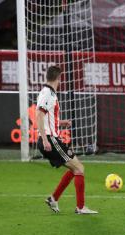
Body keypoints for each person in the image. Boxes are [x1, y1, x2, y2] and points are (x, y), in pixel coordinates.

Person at [36, 65, 97, 214]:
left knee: (74, 168)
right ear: (58, 78)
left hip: (52, 139)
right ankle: (80, 207)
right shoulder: (48, 94)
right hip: (50, 140)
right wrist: (44, 140)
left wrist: (61, 123)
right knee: (79, 168)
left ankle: (54, 198)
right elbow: (39, 115)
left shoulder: (48, 93)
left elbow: (48, 117)